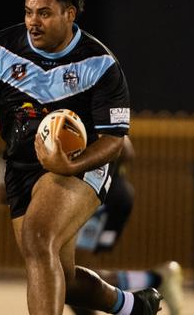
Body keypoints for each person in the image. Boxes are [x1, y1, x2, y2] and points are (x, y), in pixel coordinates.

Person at [0, 0, 162, 315]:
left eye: (44, 13)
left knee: (37, 239)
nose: (33, 22)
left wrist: (70, 164)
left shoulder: (100, 64)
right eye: (29, 12)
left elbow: (115, 141)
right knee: (63, 277)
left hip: (79, 167)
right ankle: (134, 306)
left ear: (69, 14)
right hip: (20, 169)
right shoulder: (1, 50)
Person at [72, 135, 184, 315]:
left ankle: (155, 280)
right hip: (94, 199)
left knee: (72, 276)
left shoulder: (84, 113)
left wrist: (79, 165)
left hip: (102, 200)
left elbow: (126, 150)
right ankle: (155, 278)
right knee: (70, 277)